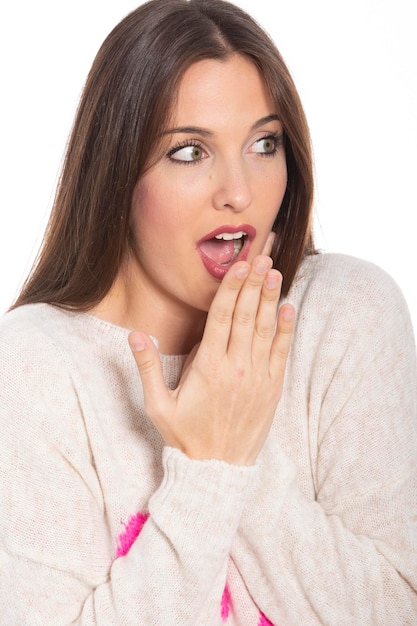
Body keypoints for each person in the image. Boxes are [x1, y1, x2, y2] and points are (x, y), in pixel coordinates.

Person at [0, 0, 416, 623]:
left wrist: (233, 446)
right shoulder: (34, 367)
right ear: (116, 174)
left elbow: (398, 606)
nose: (240, 192)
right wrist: (210, 468)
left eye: (263, 143)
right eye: (190, 152)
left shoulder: (346, 314)